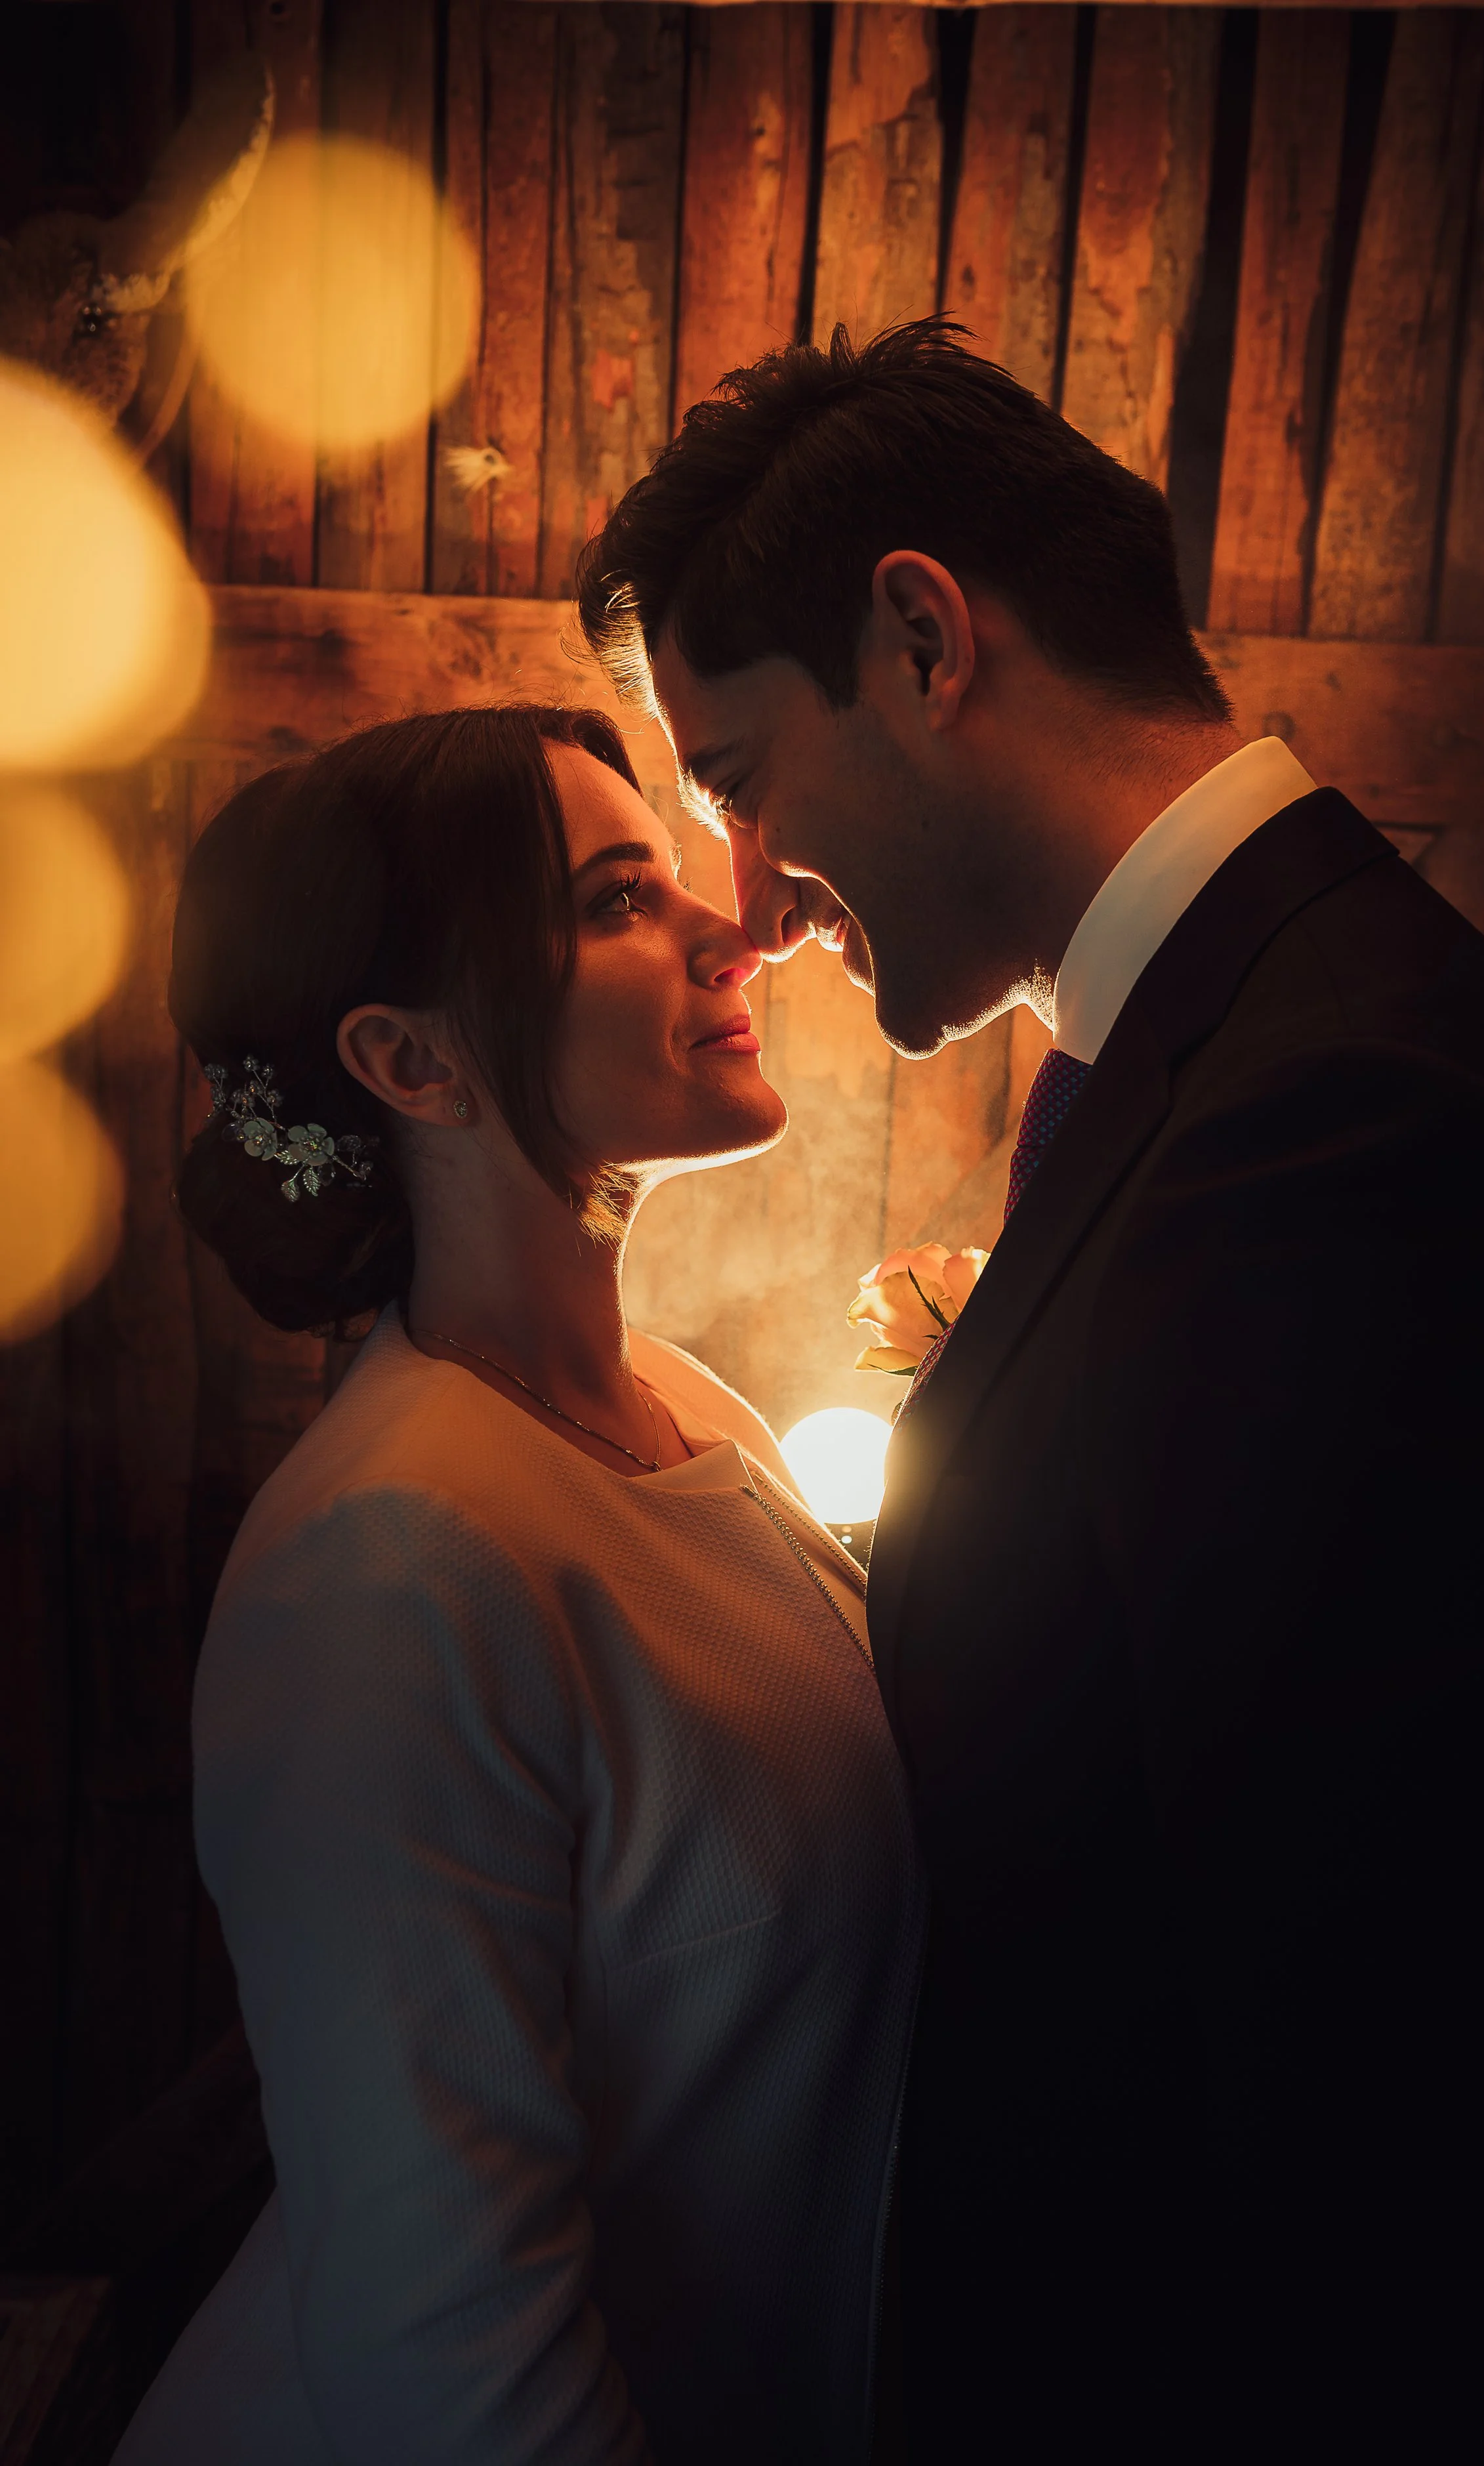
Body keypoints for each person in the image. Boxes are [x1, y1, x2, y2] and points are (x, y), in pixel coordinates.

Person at [575, 320, 1484, 2455]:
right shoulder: (1213, 1058)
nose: (753, 900)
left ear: (919, 637)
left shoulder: (1341, 1124)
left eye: (743, 782)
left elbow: (1384, 2062)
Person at [114, 706, 923, 2466]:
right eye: (622, 898)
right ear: (410, 1058)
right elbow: (448, 2355)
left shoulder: (682, 1409)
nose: (734, 928)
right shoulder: (390, 1563)